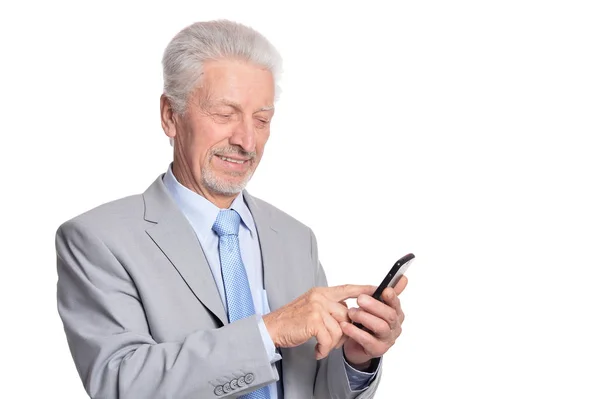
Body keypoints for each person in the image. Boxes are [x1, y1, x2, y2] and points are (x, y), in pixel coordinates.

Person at [55, 20, 408, 399]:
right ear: (170, 116)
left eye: (262, 120)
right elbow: (121, 385)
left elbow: (315, 389)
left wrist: (356, 360)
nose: (246, 140)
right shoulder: (98, 239)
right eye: (225, 114)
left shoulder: (295, 238)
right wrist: (268, 331)